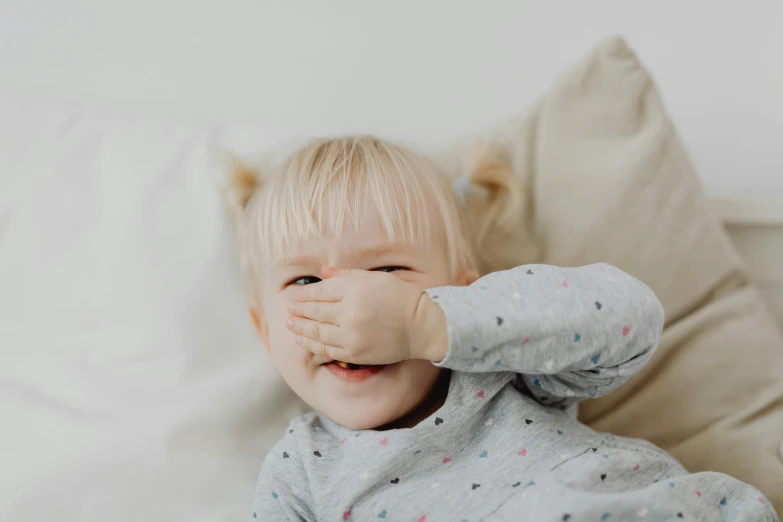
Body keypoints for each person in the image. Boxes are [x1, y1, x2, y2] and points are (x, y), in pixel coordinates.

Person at [226, 136, 777, 521]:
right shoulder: (300, 469)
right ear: (264, 331)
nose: (353, 306)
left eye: (387, 271)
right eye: (303, 280)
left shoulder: (498, 358)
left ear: (465, 291)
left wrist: (432, 323)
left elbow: (631, 317)